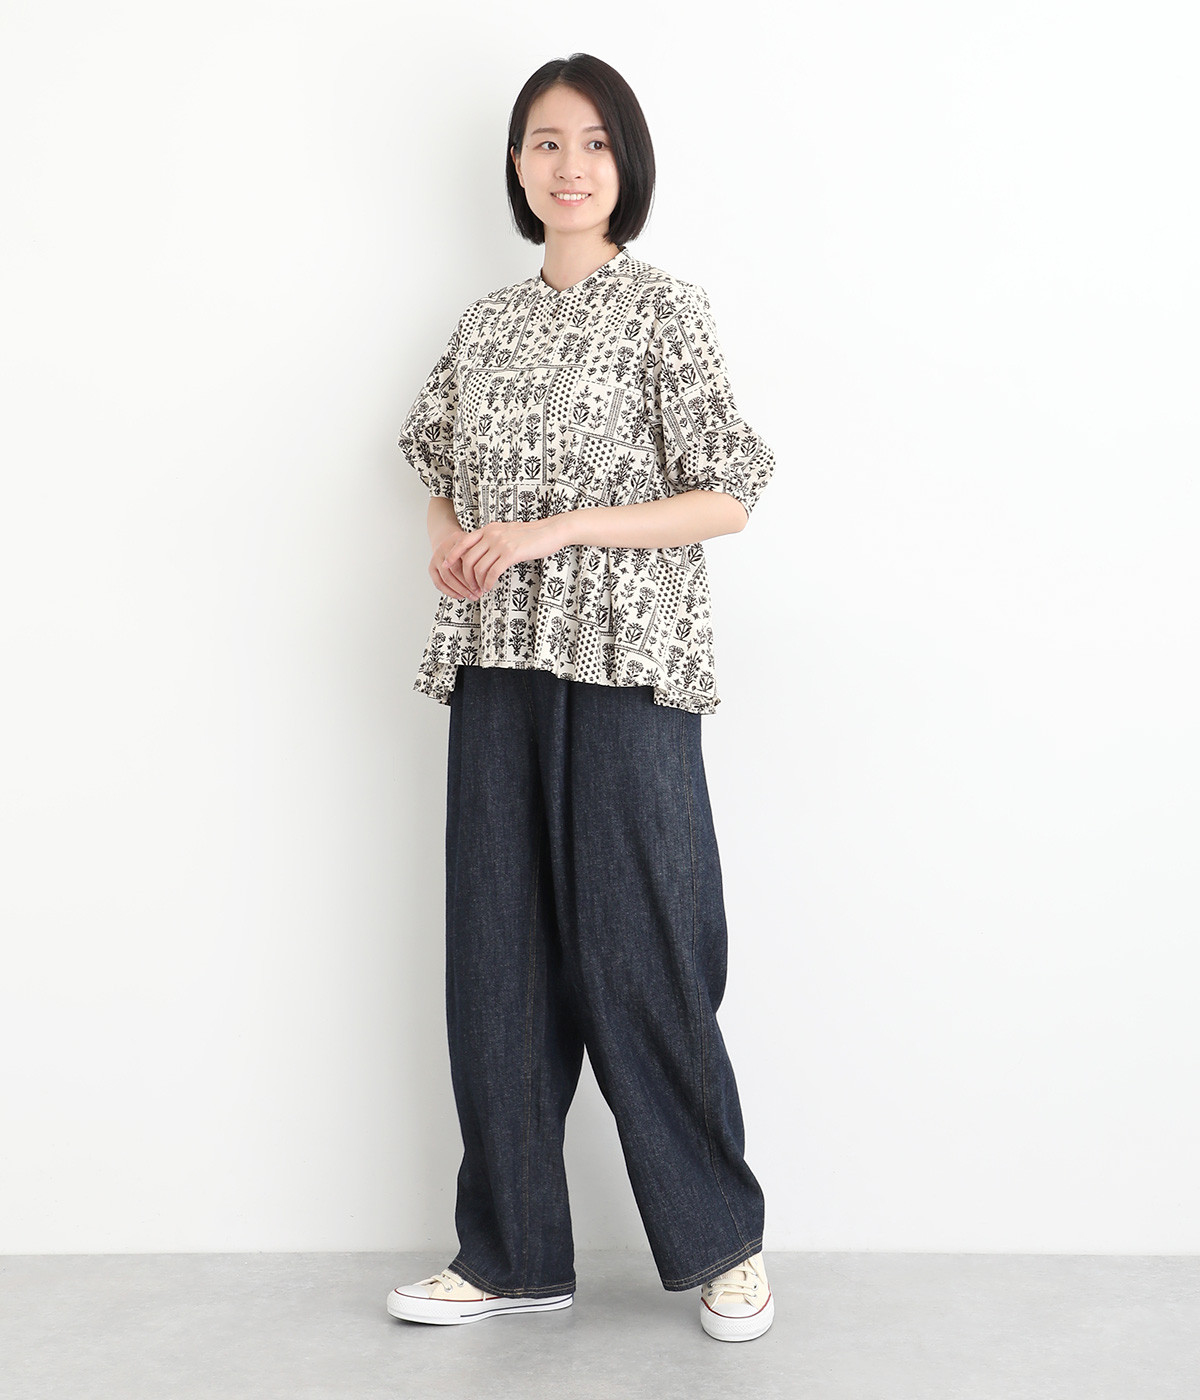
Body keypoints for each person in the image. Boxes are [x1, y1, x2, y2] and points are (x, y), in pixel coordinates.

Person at [386, 53, 777, 1344]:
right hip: (498, 657)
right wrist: (452, 543)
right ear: (517, 165)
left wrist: (560, 529)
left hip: (629, 661)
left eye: (596, 142)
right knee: (498, 957)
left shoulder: (665, 311)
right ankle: (510, 1255)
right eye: (547, 142)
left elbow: (727, 493)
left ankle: (724, 1243)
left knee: (645, 947)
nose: (571, 166)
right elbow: (437, 466)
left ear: (628, 165)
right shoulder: (484, 326)